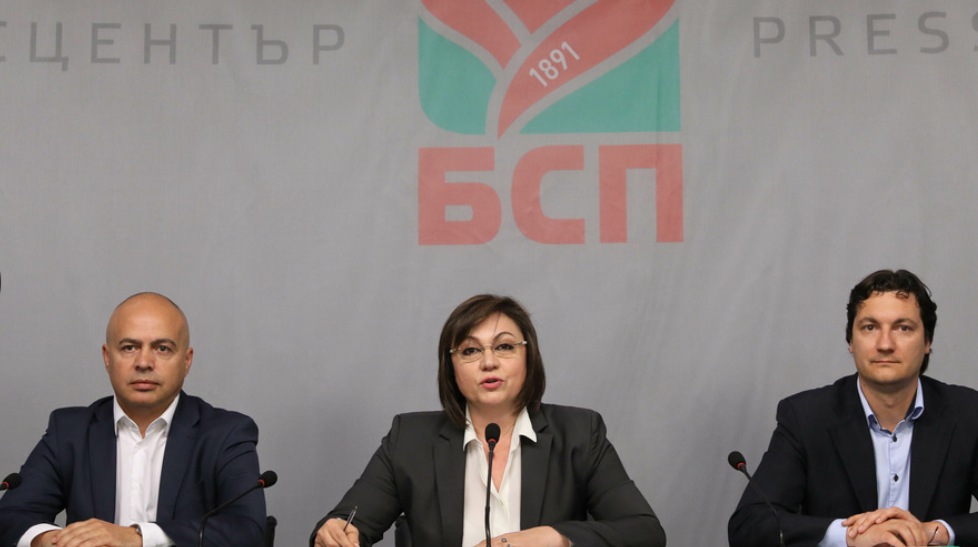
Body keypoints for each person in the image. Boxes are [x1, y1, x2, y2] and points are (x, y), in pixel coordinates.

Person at [312, 294, 665, 547]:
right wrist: (335, 533)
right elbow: (345, 523)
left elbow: (645, 531)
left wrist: (553, 537)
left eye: (505, 346)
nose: (488, 362)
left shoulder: (579, 434)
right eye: (470, 350)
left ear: (529, 357)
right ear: (451, 368)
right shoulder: (410, 439)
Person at [729, 269, 978, 547]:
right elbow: (750, 525)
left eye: (903, 328)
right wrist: (851, 536)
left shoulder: (969, 413)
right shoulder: (806, 417)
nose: (885, 344)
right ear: (850, 340)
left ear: (927, 341)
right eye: (870, 327)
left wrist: (936, 532)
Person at [0, 292, 267, 547]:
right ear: (107, 358)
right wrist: (50, 541)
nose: (144, 362)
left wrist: (137, 538)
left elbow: (247, 530)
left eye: (162, 348)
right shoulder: (70, 431)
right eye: (129, 347)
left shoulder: (226, 433)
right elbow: (11, 515)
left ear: (186, 361)